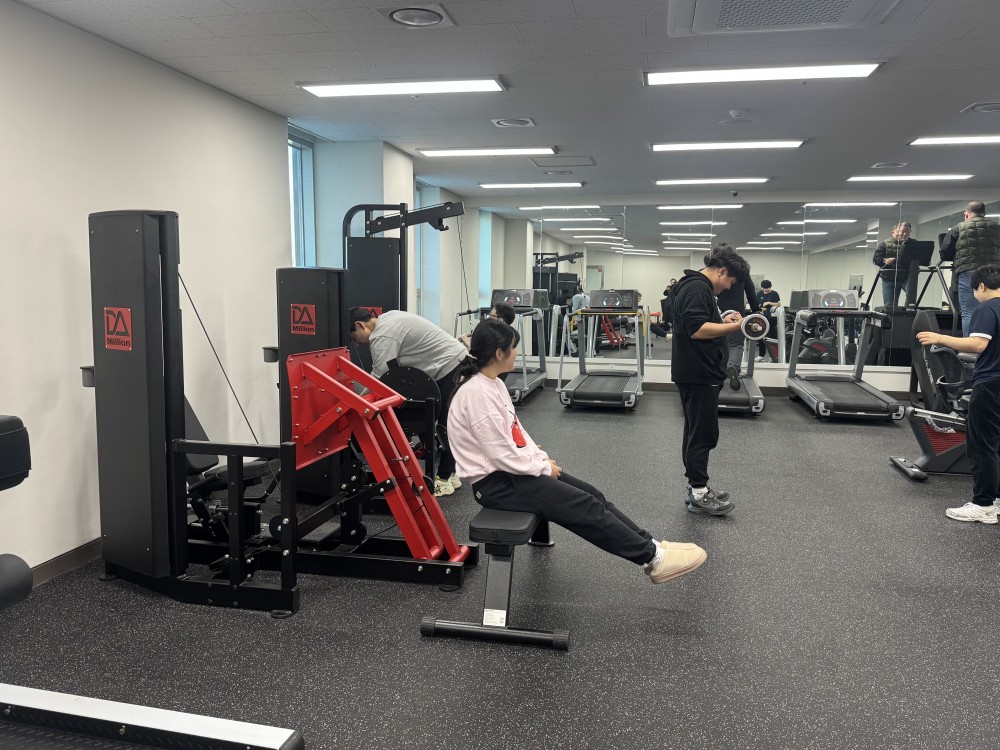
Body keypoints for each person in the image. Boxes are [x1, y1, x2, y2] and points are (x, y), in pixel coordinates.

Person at [447, 318, 707, 583]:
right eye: (513, 347)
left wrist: (540, 458)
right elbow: (501, 455)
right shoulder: (477, 394)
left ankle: (652, 545)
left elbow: (516, 431)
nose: (517, 352)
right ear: (499, 353)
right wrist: (543, 468)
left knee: (593, 495)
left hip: (511, 473)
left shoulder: (495, 383)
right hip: (496, 485)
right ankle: (654, 559)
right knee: (584, 506)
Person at [348, 306, 467, 497]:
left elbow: (380, 376)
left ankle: (444, 479)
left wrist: (358, 400)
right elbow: (393, 370)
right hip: (453, 362)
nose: (357, 344)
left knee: (445, 426)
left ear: (360, 325)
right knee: (437, 421)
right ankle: (450, 474)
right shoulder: (389, 317)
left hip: (449, 366)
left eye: (354, 338)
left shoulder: (381, 335)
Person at [915, 264, 1000, 524]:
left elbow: (977, 343)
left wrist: (939, 338)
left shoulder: (987, 308)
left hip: (991, 383)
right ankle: (995, 499)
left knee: (982, 445)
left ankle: (983, 505)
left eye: (974, 290)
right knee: (996, 443)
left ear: (981, 286)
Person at [670, 245, 751, 516]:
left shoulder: (694, 285)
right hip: (699, 373)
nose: (728, 287)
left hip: (696, 371)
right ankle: (699, 493)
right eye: (730, 282)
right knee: (703, 434)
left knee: (696, 432)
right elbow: (697, 329)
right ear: (722, 272)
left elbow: (699, 320)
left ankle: (697, 487)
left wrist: (722, 318)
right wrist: (737, 326)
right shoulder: (698, 288)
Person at [939, 201, 1000, 335]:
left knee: (969, 311)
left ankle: (970, 345)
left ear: (966, 214)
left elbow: (945, 253)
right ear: (984, 214)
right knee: (995, 308)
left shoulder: (958, 228)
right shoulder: (996, 228)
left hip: (969, 271)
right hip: (994, 272)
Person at [714, 248, 760, 373]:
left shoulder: (716, 272)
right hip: (737, 314)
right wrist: (756, 310)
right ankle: (732, 367)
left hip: (719, 312)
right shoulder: (741, 273)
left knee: (718, 343)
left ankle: (721, 370)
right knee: (736, 344)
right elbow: (750, 291)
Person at [872, 222, 914, 308]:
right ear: (893, 232)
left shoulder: (913, 244)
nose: (904, 234)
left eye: (907, 231)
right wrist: (885, 260)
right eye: (902, 231)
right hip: (889, 278)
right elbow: (876, 259)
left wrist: (926, 262)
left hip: (906, 277)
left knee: (911, 293)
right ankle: (892, 316)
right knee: (889, 306)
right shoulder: (885, 244)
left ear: (910, 232)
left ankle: (908, 311)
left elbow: (920, 256)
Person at [755, 280, 781, 361]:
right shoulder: (759, 294)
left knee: (772, 337)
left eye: (767, 288)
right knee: (761, 336)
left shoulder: (774, 294)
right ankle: (761, 355)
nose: (765, 290)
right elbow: (757, 304)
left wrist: (769, 303)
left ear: (770, 287)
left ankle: (773, 356)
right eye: (764, 288)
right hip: (762, 318)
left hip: (772, 318)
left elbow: (778, 304)